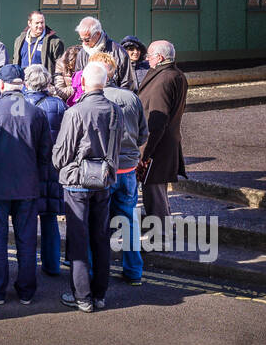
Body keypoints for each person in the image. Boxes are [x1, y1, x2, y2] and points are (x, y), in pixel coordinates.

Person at [0, 63, 50, 305]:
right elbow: (46, 153)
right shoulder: (37, 112)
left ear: (2, 85)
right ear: (22, 85)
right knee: (26, 239)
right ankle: (26, 291)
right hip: (27, 185)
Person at [52, 61, 121, 312]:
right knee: (101, 238)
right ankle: (100, 294)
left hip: (77, 182)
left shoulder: (75, 112)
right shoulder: (116, 110)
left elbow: (61, 154)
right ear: (104, 83)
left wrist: (57, 161)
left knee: (79, 239)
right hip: (103, 181)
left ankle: (82, 297)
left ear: (82, 83)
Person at [90, 51, 149, 285]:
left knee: (97, 223)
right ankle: (134, 271)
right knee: (129, 221)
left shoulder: (92, 99)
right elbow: (143, 134)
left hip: (101, 170)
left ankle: (95, 271)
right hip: (127, 169)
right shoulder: (132, 98)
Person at [23, 63, 66, 277]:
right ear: (47, 82)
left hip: (27, 170)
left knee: (27, 220)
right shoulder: (59, 105)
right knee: (49, 218)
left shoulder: (20, 105)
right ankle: (52, 265)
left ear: (27, 82)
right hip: (52, 168)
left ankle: (27, 266)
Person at [137, 39, 187, 221]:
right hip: (166, 144)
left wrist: (144, 154)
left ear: (158, 57)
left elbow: (157, 121)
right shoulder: (175, 74)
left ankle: (160, 239)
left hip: (158, 147)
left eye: (149, 56)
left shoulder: (163, 79)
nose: (147, 59)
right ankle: (160, 235)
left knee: (155, 195)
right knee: (157, 193)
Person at [71, 16, 137, 92]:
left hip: (113, 100)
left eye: (87, 39)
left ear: (98, 34)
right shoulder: (82, 53)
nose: (84, 43)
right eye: (81, 39)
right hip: (89, 98)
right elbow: (78, 81)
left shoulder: (118, 52)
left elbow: (127, 83)